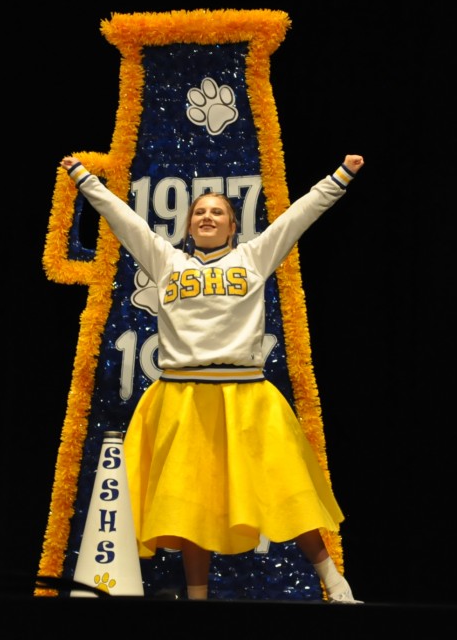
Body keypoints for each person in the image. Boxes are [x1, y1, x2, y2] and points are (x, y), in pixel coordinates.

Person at [60, 153, 365, 603]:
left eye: (217, 211)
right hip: (184, 396)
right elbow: (122, 218)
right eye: (199, 212)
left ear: (232, 226)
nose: (207, 216)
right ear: (187, 227)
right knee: (190, 504)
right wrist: (85, 180)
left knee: (287, 490)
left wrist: (339, 178)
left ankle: (335, 584)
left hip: (246, 395)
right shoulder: (166, 262)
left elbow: (297, 217)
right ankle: (197, 600)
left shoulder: (253, 257)